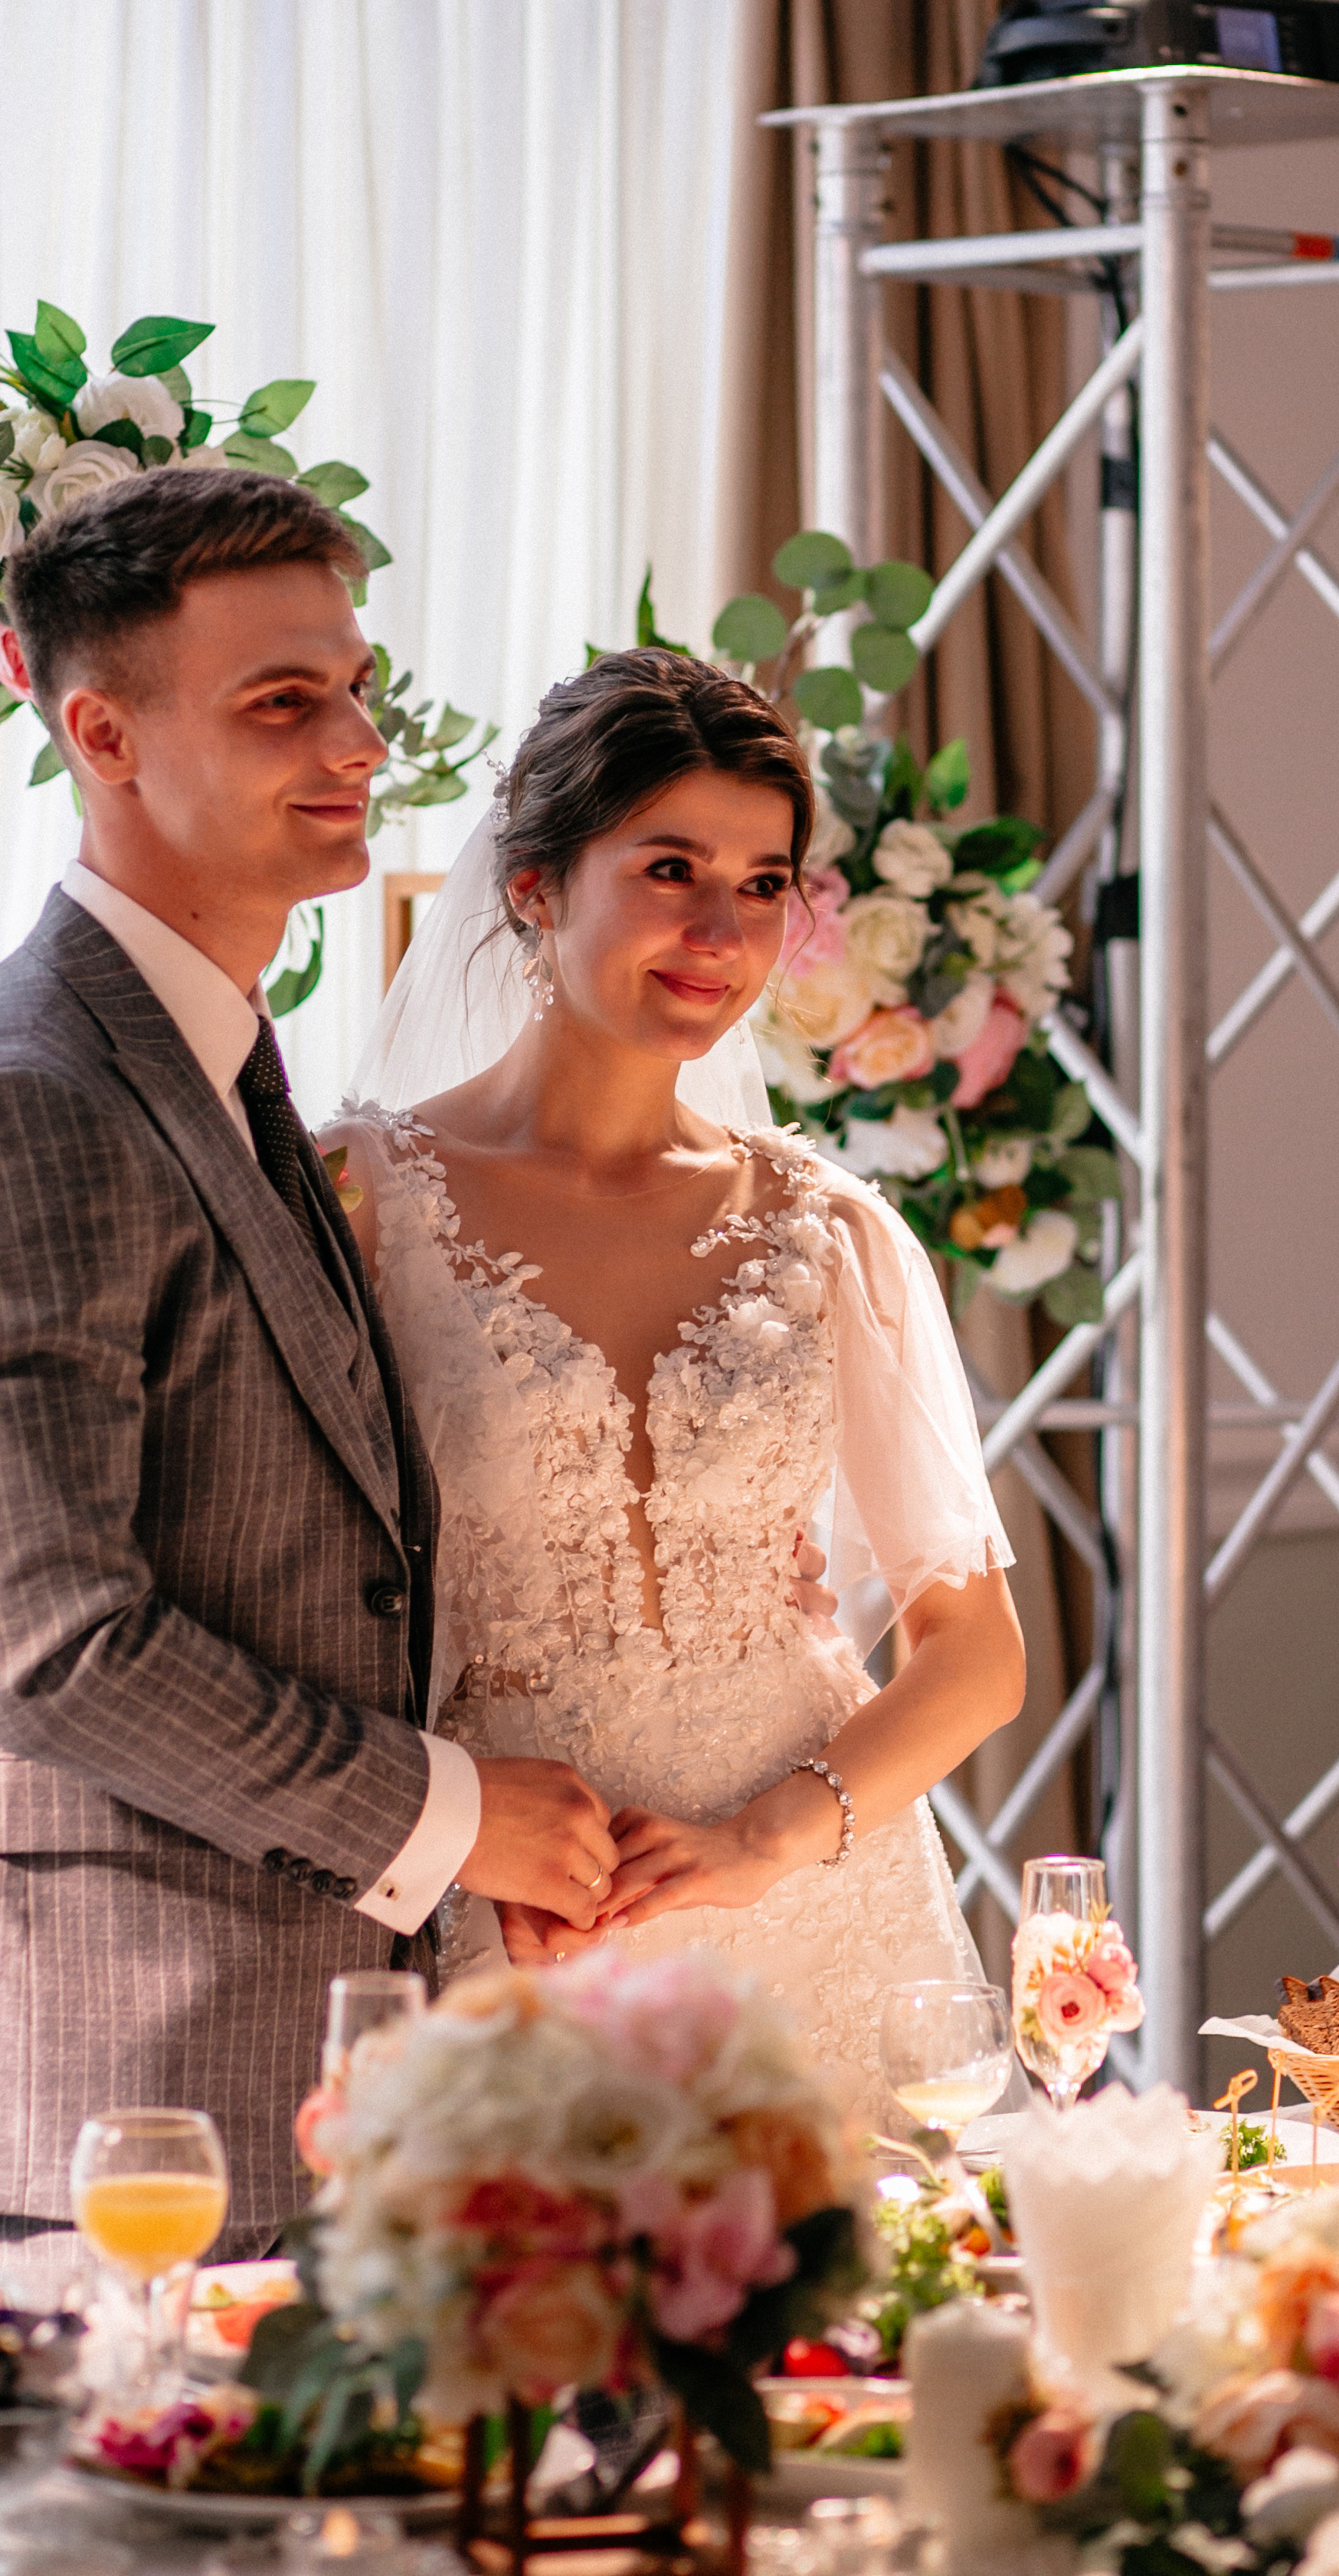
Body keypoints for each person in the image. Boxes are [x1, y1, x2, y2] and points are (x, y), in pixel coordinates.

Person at [0, 468, 617, 2255]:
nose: (355, 742)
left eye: (352, 688)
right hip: (115, 2098)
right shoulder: (23, 1104)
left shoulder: (215, 1057)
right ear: (99, 730)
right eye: (282, 705)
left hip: (284, 2068)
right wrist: (447, 1821)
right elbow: (59, 1650)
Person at [325, 650, 1027, 2120]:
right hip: (517, 1915)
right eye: (669, 868)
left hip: (817, 1909)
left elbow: (974, 1649)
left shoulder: (829, 1229)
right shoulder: (361, 1201)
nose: (721, 930)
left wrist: (771, 1837)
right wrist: (452, 1831)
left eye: (763, 883)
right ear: (533, 886)